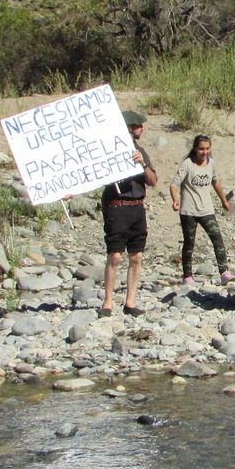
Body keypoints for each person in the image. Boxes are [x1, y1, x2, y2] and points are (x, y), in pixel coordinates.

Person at [99, 110, 158, 318]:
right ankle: (107, 302)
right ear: (131, 128)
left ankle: (130, 301)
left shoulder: (141, 151)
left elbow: (153, 181)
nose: (142, 129)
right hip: (117, 205)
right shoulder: (108, 152)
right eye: (139, 125)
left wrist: (142, 164)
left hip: (137, 206)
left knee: (137, 255)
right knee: (115, 255)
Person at [170, 134, 235, 286]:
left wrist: (223, 200)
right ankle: (187, 276)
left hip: (207, 209)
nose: (204, 152)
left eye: (207, 148)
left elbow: (215, 182)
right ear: (195, 148)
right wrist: (175, 200)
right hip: (188, 211)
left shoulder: (211, 163)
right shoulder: (187, 164)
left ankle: (224, 272)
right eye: (201, 149)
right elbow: (174, 184)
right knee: (189, 244)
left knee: (217, 239)